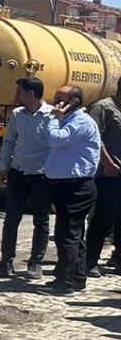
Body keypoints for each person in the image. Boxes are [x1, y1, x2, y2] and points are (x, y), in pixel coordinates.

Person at [42, 85, 101, 295]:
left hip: (76, 187)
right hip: (65, 185)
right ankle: (76, 277)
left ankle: (65, 282)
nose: (55, 101)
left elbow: (56, 139)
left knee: (67, 234)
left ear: (74, 101)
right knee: (74, 233)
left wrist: (54, 119)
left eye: (60, 98)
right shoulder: (67, 120)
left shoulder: (80, 121)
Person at [0, 77, 54, 279]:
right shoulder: (17, 115)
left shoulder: (52, 115)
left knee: (41, 220)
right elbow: (9, 141)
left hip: (42, 175)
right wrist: (3, 166)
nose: (16, 96)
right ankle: (6, 261)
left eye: (19, 92)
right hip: (18, 172)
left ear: (31, 93)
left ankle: (35, 263)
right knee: (11, 219)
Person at [85, 81, 121, 276]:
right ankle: (90, 262)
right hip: (109, 174)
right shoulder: (103, 108)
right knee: (102, 219)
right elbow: (94, 139)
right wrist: (108, 164)